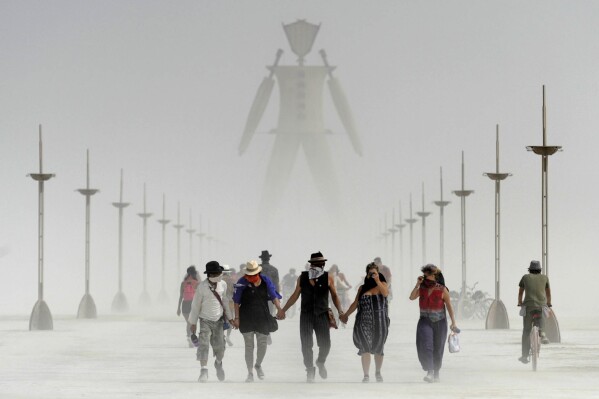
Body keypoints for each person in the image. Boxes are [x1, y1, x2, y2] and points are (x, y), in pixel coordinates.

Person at [277, 251, 345, 383]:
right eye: (316, 263)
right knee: (306, 345)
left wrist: (341, 312)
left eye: (321, 263)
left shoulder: (328, 277)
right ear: (311, 265)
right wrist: (283, 310)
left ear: (324, 264)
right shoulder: (302, 277)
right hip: (306, 315)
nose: (319, 265)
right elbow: (295, 295)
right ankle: (309, 369)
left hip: (322, 315)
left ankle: (320, 362)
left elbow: (335, 296)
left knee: (325, 344)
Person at [233, 260, 283, 382]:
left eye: (253, 274)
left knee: (262, 345)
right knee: (249, 346)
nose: (250, 277)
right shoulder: (241, 282)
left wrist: (279, 309)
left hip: (262, 317)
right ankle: (250, 372)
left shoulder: (265, 281)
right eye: (248, 275)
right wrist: (237, 318)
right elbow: (236, 302)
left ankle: (258, 365)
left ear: (258, 272)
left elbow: (273, 296)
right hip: (246, 317)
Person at [189, 261, 238, 383]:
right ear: (211, 274)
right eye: (218, 273)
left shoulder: (223, 284)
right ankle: (204, 371)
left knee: (220, 348)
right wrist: (193, 323)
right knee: (203, 345)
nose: (221, 275)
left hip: (219, 321)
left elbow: (225, 301)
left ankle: (218, 363)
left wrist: (231, 318)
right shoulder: (202, 287)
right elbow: (195, 306)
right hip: (205, 320)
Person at [340, 262, 390, 382]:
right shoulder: (362, 288)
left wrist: (377, 280)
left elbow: (385, 293)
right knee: (365, 347)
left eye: (375, 273)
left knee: (379, 348)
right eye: (370, 273)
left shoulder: (382, 284)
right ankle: (366, 375)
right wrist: (345, 315)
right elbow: (355, 303)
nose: (372, 275)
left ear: (378, 273)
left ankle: (378, 372)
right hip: (363, 321)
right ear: (367, 274)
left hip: (380, 322)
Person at [409, 264, 457, 383]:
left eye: (428, 274)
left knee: (438, 347)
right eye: (424, 274)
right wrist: (417, 284)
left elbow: (449, 307)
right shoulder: (422, 288)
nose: (425, 276)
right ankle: (430, 371)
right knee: (426, 345)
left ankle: (436, 372)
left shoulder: (442, 289)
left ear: (435, 276)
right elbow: (411, 297)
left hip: (440, 322)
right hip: (425, 321)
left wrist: (453, 323)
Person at [517, 260, 552, 364]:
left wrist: (519, 302)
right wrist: (549, 303)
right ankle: (543, 334)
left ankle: (524, 356)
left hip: (528, 306)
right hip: (541, 305)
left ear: (530, 269)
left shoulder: (525, 277)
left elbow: (520, 293)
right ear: (539, 269)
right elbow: (548, 294)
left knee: (526, 331)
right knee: (541, 317)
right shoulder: (545, 278)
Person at [176, 266, 200, 347]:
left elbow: (180, 296)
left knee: (188, 323)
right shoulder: (196, 283)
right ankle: (192, 338)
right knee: (193, 323)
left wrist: (178, 308)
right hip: (193, 304)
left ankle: (189, 337)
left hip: (184, 304)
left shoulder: (183, 283)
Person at [222, 265, 238, 347]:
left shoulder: (219, 281)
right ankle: (228, 336)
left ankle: (222, 336)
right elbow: (233, 292)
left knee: (221, 320)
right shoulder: (231, 281)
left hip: (220, 303)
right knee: (230, 320)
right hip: (230, 302)